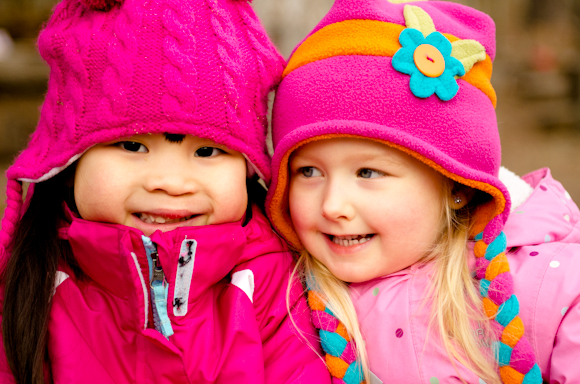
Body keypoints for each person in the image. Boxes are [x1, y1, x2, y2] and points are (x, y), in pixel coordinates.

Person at [0, 0, 332, 382]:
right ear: (68, 162)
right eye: (132, 146)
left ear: (248, 170)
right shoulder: (30, 281)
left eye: (207, 151)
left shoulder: (270, 282)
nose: (171, 183)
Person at [265, 0, 580, 383]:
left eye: (368, 172)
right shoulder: (283, 298)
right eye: (308, 171)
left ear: (457, 185)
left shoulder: (546, 286)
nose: (332, 205)